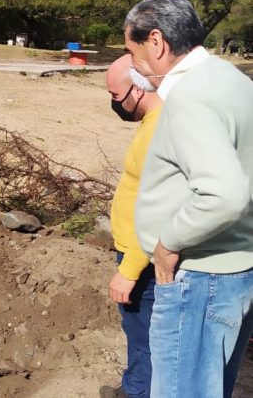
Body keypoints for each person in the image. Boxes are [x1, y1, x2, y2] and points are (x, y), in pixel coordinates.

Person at [125, 0, 253, 398]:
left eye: (133, 51)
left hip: (200, 276)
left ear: (157, 42)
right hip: (234, 271)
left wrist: (168, 244)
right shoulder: (231, 79)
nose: (133, 65)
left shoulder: (191, 97)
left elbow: (226, 194)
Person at [103, 54, 163, 398]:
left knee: (145, 336)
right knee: (138, 330)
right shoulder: (154, 121)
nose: (115, 103)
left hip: (141, 258)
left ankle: (138, 392)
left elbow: (158, 209)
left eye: (115, 95)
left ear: (137, 90)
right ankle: (133, 386)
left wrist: (128, 269)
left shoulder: (159, 129)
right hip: (134, 251)